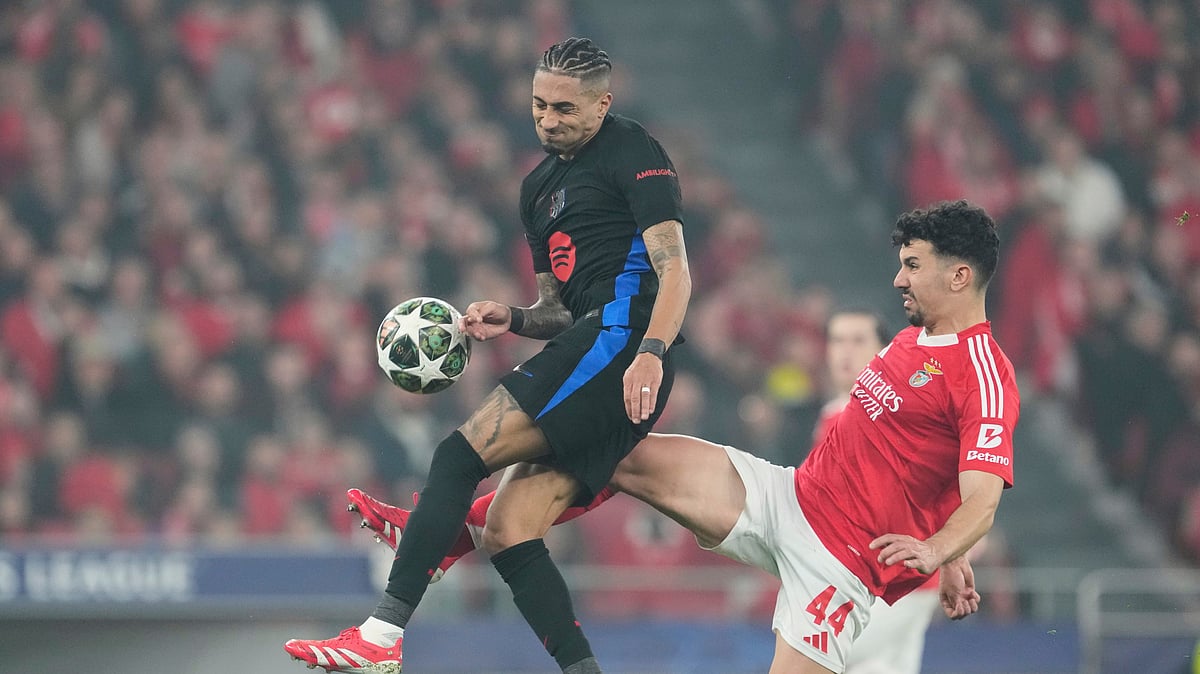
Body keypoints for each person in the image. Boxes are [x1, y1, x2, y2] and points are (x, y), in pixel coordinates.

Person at [348, 200, 1020, 672]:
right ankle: (438, 541)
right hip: (788, 497)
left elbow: (981, 498)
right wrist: (950, 555)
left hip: (840, 564)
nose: (899, 277)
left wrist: (940, 553)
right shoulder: (911, 340)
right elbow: (914, 464)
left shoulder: (985, 376)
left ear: (959, 276)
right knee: (617, 452)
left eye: (912, 265)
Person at [284, 37, 692, 674]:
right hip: (593, 342)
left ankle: (382, 635)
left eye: (564, 108)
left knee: (456, 455)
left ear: (602, 103)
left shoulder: (634, 151)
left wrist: (652, 352)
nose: (548, 120)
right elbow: (557, 306)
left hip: (621, 343)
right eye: (538, 106)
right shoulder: (537, 189)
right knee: (507, 530)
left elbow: (676, 273)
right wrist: (516, 318)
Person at [818, 308, 941, 674]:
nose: (845, 352)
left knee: (816, 654)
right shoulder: (833, 415)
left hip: (893, 582)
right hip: (878, 582)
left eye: (858, 341)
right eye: (837, 340)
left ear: (882, 352)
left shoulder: (893, 414)